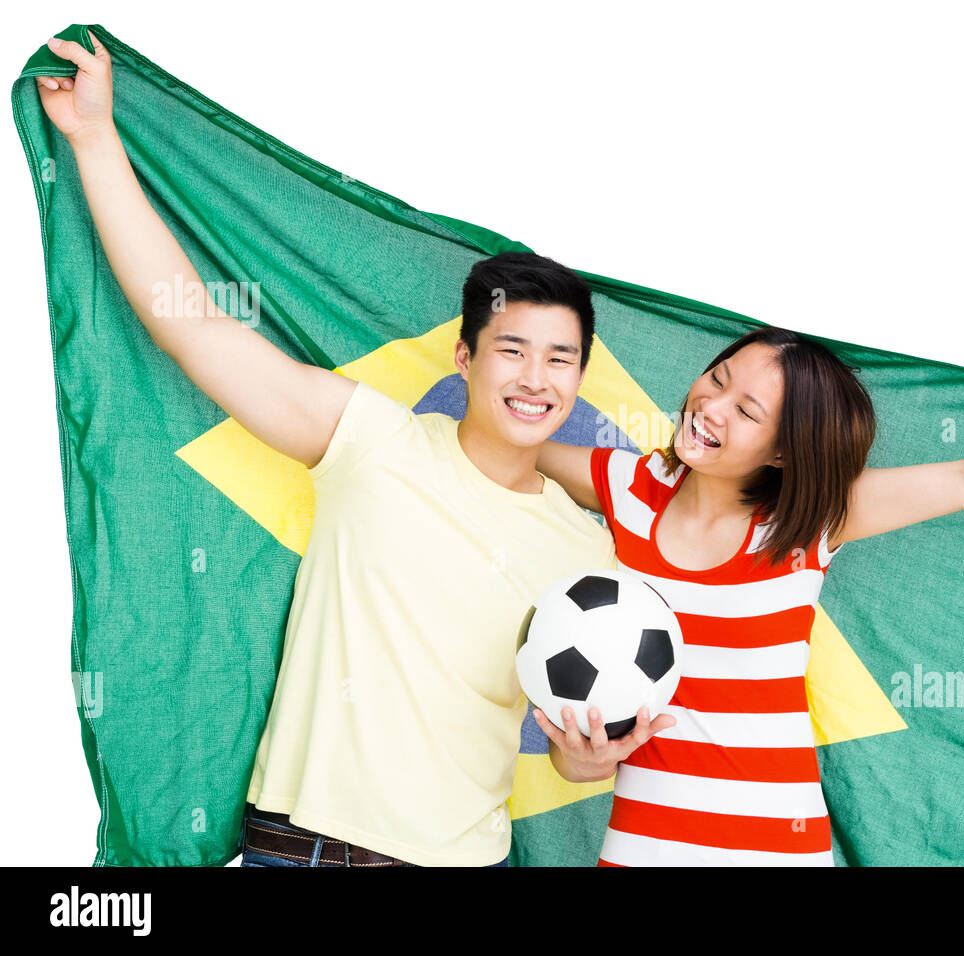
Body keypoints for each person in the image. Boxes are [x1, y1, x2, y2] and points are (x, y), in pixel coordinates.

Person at [34, 32, 673, 868]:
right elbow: (189, 323)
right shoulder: (371, 439)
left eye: (560, 359)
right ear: (466, 357)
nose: (535, 378)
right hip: (297, 851)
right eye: (512, 348)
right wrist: (93, 139)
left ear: (580, 377)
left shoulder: (589, 554)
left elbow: (558, 728)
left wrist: (581, 757)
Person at [534, 324, 964, 865]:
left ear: (784, 450)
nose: (709, 407)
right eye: (716, 379)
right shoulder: (625, 489)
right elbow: (503, 446)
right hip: (642, 845)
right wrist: (581, 759)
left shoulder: (806, 523)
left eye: (746, 410)